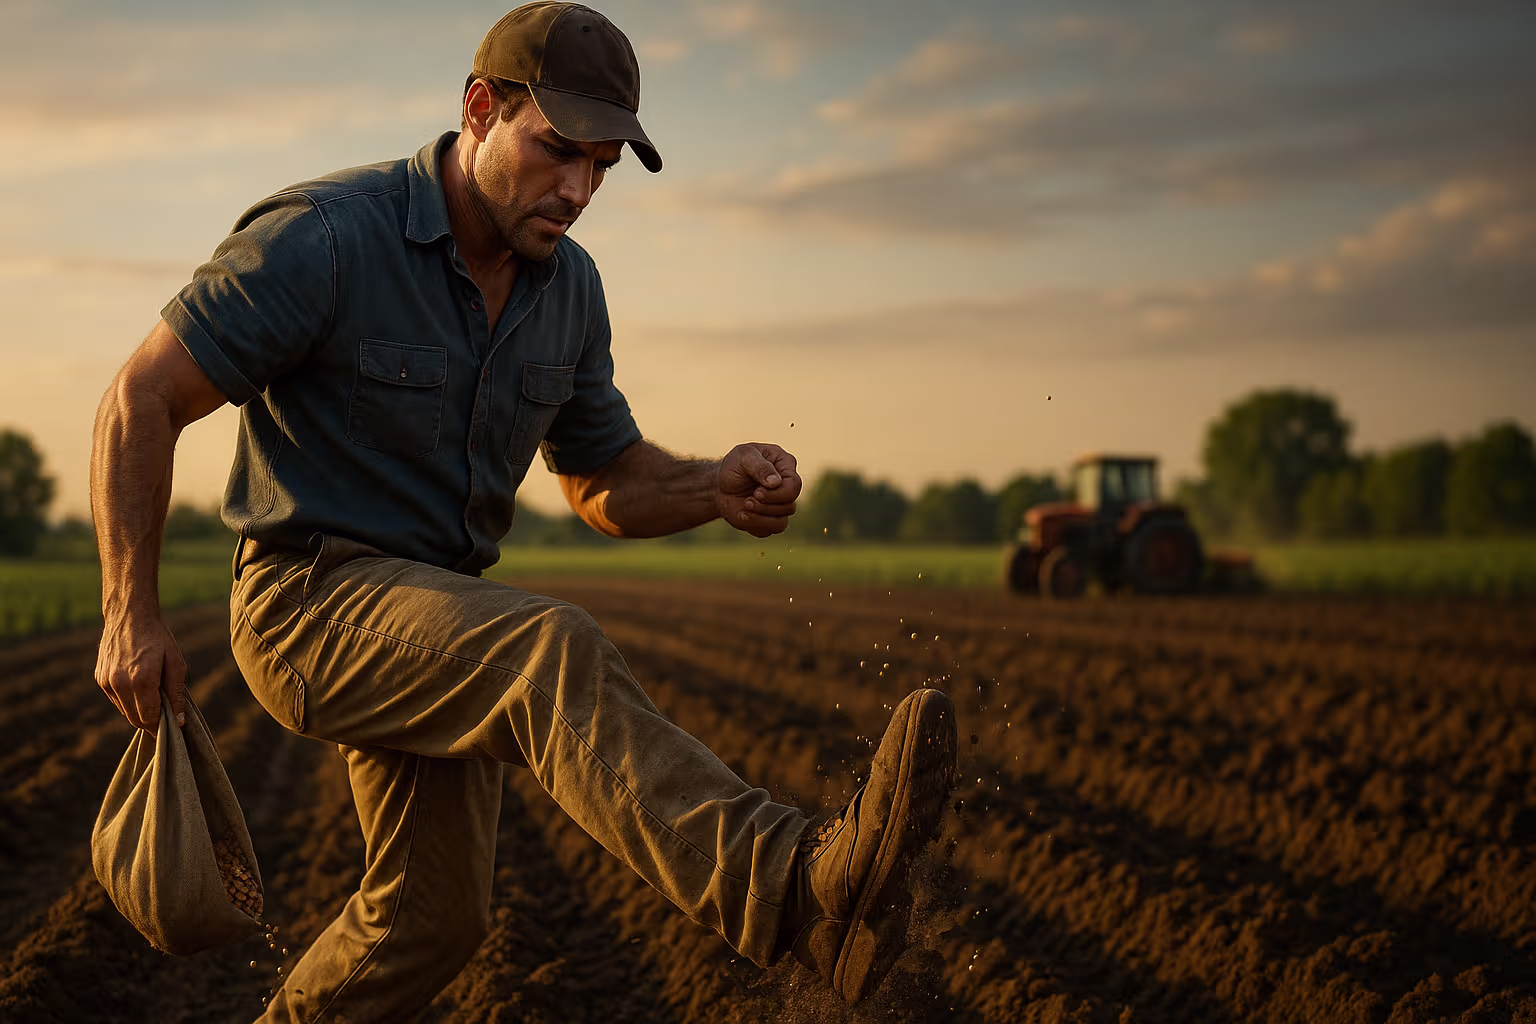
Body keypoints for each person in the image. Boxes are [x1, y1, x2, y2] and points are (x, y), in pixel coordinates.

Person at [90, 3, 958, 1018]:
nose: (579, 189)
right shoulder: (327, 238)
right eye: (558, 151)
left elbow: (598, 481)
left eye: (602, 167)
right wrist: (128, 611)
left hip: (437, 619)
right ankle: (792, 892)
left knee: (432, 919)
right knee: (550, 649)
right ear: (478, 109)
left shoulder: (569, 292)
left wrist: (710, 485)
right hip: (308, 605)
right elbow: (138, 397)